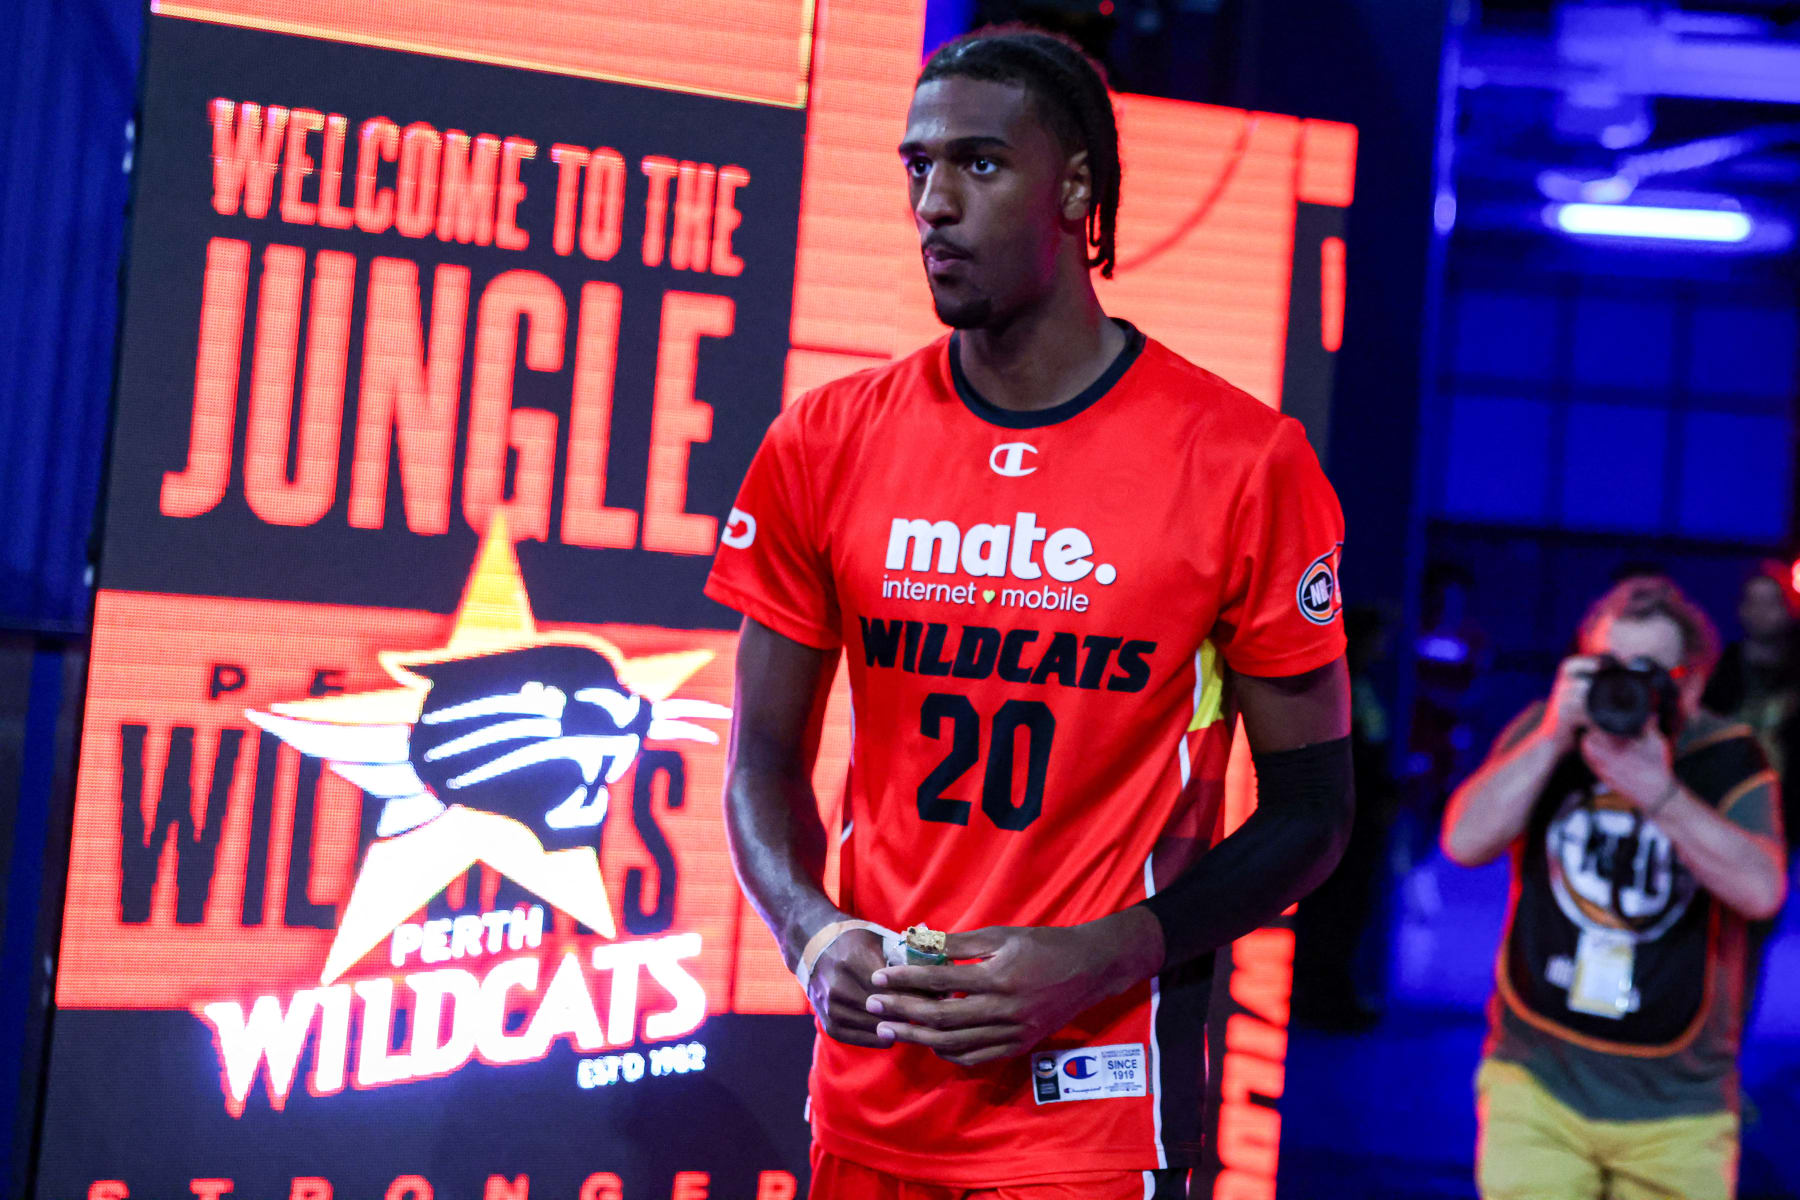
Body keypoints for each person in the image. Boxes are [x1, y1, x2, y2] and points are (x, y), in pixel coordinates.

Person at [706, 26, 1355, 1200]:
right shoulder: (825, 439)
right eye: (918, 168)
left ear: (1076, 190)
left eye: (980, 165)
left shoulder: (1244, 459)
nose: (934, 205)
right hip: (870, 1098)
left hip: (1096, 1112)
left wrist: (1111, 950)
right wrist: (810, 933)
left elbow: (1314, 813)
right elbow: (760, 762)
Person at [1442, 576, 1786, 1200]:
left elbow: (1762, 891)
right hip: (1537, 1086)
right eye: (1605, 665)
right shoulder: (1550, 733)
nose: (1621, 684)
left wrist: (1658, 790)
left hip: (1679, 1112)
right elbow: (1464, 842)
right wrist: (1551, 738)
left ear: (1691, 681)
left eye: (1645, 670)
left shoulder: (1728, 758)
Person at [1702, 562, 1800, 848]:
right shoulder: (1718, 670)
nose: (1761, 613)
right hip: (1728, 803)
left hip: (1790, 812)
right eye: (1753, 602)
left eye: (1771, 603)